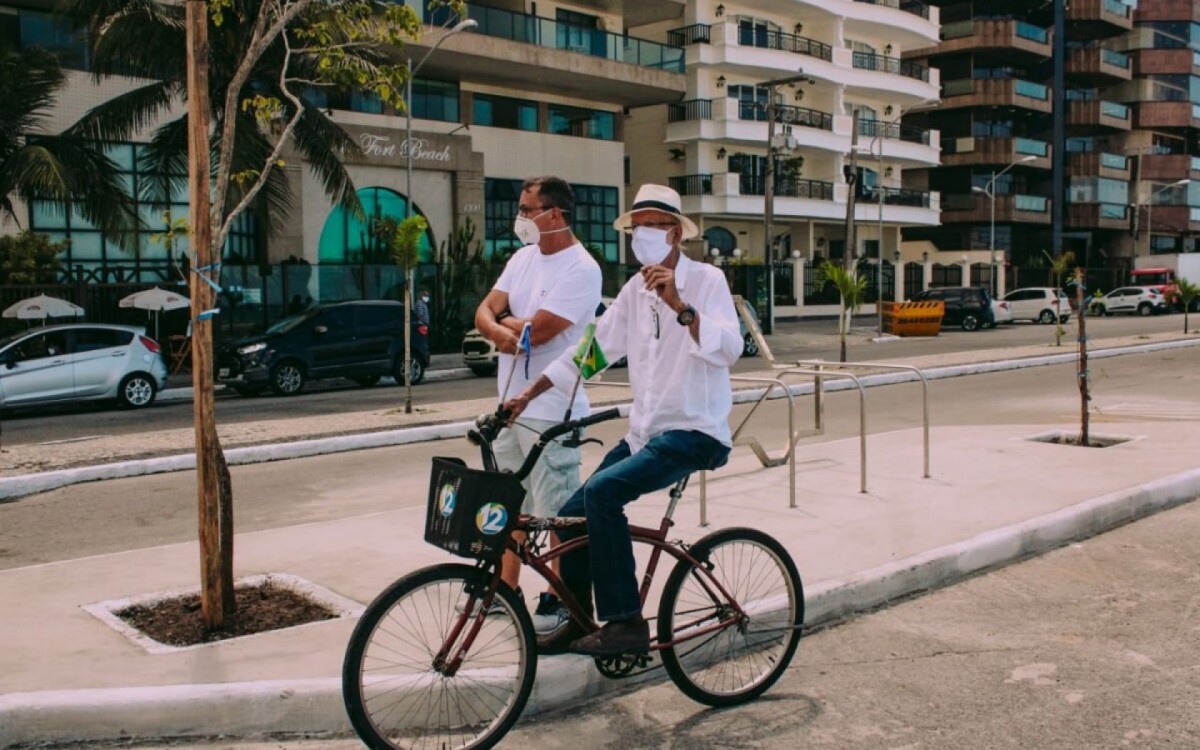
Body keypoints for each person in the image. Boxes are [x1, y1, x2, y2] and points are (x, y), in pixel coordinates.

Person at [503, 184, 743, 656]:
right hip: (645, 434)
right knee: (570, 516)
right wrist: (527, 394)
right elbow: (590, 352)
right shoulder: (635, 290)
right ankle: (578, 618)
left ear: (674, 233)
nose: (642, 235)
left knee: (603, 493)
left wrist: (679, 305)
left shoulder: (707, 281)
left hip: (694, 431)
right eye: (636, 227)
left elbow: (730, 350)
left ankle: (626, 624)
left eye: (652, 225)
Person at [474, 175, 602, 630]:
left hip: (552, 412)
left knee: (557, 512)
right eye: (521, 209)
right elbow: (483, 311)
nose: (520, 218)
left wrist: (505, 323)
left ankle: (558, 596)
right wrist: (502, 327)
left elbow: (542, 332)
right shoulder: (521, 259)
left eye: (528, 210)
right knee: (508, 505)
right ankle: (504, 590)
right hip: (508, 407)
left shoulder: (582, 269)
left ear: (555, 214)